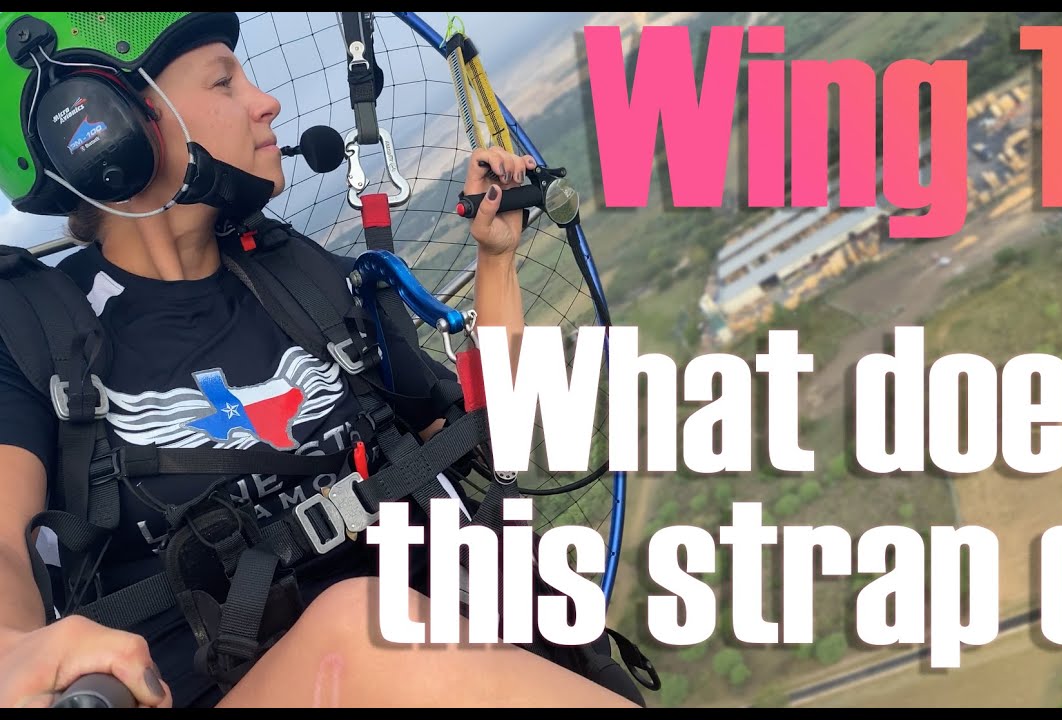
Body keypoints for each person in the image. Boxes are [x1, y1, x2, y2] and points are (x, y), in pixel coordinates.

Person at [0, 12, 641, 708]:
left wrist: (496, 261)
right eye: (224, 81)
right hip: (243, 681)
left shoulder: (300, 277)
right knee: (355, 628)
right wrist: (9, 644)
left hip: (463, 652)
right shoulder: (34, 331)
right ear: (105, 126)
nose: (266, 102)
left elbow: (480, 437)